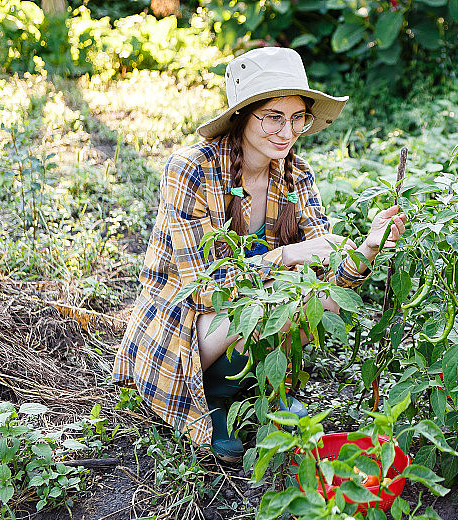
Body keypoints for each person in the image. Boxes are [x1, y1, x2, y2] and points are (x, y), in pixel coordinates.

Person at [113, 47, 407, 462]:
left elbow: (329, 278)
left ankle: (259, 391)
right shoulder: (191, 169)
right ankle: (211, 398)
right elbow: (205, 290)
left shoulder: (296, 174)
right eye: (273, 117)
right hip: (185, 323)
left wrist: (367, 248)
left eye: (297, 118)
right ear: (242, 115)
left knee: (323, 302)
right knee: (257, 305)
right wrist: (286, 256)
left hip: (249, 310)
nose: (287, 132)